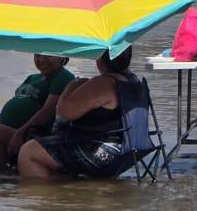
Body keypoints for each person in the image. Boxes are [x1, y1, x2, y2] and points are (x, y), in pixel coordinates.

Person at [17, 47, 138, 181]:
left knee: (29, 151)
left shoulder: (104, 83)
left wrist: (72, 86)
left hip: (103, 153)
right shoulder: (133, 81)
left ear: (100, 59)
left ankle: (48, 197)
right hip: (130, 150)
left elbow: (64, 112)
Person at [0, 54, 76, 173]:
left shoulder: (63, 77)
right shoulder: (32, 78)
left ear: (61, 57)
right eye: (37, 56)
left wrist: (20, 133)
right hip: (10, 131)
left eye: (48, 56)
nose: (42, 60)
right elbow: (15, 105)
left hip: (35, 136)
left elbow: (48, 111)